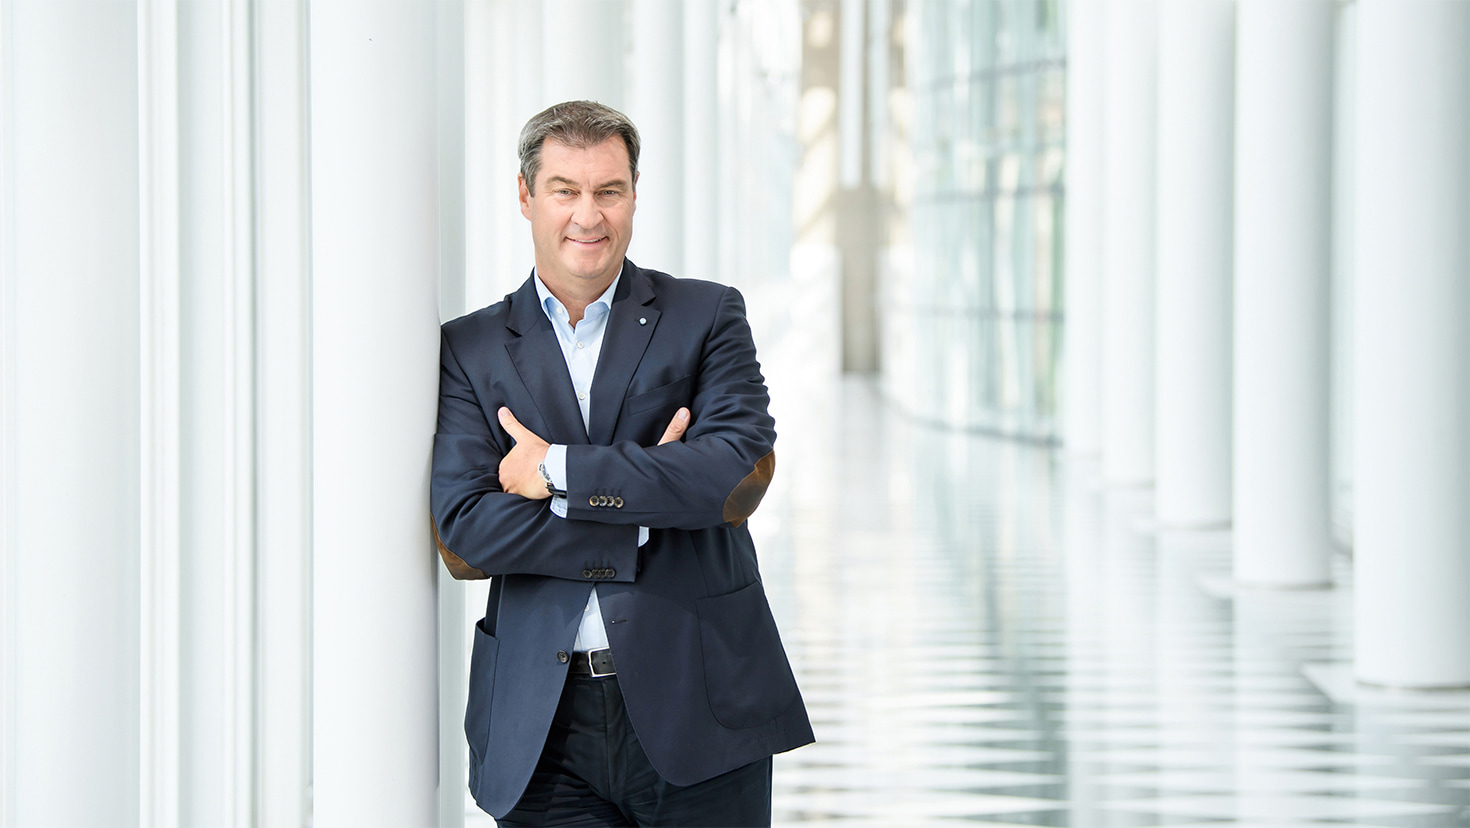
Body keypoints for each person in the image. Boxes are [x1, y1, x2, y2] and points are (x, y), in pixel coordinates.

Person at [430, 100, 813, 826]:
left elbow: (731, 477)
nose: (588, 215)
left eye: (609, 190)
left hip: (701, 706)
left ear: (634, 194)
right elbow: (464, 534)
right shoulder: (471, 350)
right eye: (564, 190)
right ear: (525, 196)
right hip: (542, 730)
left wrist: (559, 473)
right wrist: (644, 505)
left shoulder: (706, 317)